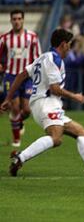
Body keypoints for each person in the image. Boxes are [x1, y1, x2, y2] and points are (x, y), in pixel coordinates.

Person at [0, 29, 84, 177]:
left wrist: (8, 98)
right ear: (63, 44)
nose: (70, 48)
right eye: (69, 44)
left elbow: (22, 74)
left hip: (46, 104)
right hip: (46, 104)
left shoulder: (43, 57)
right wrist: (75, 96)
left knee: (81, 132)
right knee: (56, 138)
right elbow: (54, 89)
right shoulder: (54, 60)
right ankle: (20, 157)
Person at [0, 10, 42, 147]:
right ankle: (16, 139)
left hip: (27, 76)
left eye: (19, 18)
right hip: (10, 76)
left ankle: (19, 122)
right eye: (14, 19)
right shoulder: (5, 38)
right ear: (11, 20)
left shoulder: (32, 37)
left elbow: (38, 57)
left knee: (27, 109)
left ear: (23, 20)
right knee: (15, 107)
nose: (17, 21)